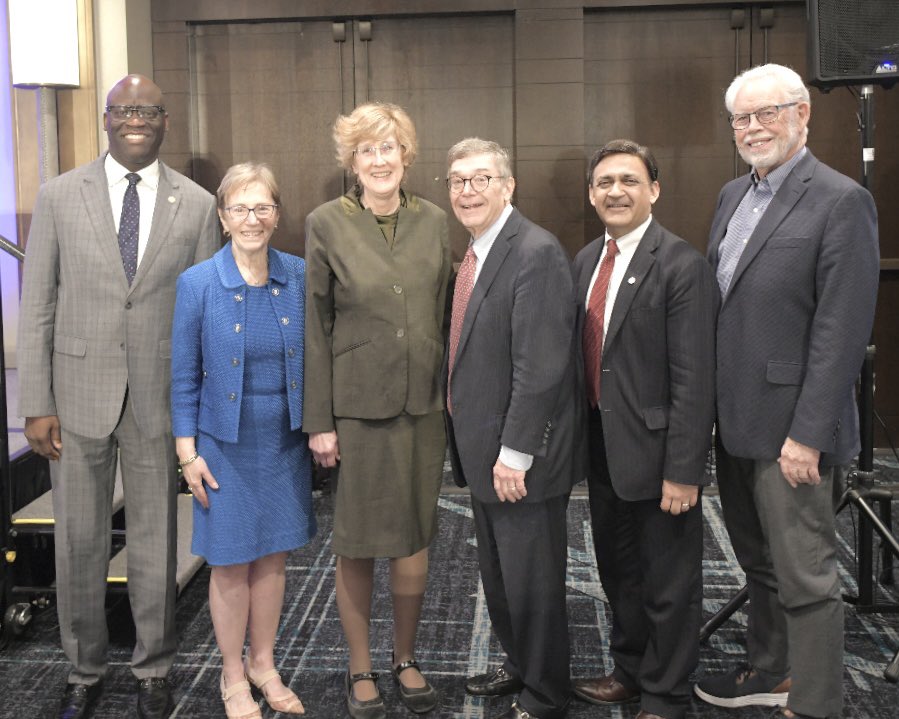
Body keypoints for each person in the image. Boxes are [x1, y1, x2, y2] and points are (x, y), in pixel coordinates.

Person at [16, 74, 219, 719]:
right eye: (124, 109)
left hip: (159, 399)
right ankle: (82, 669)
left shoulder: (198, 204)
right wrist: (36, 400)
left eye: (148, 111)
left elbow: (204, 318)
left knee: (157, 539)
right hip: (73, 399)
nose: (136, 119)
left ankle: (154, 667)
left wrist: (200, 411)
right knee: (78, 539)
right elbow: (39, 304)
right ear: (107, 121)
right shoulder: (56, 196)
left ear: (165, 122)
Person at [693, 64, 880, 719]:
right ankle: (772, 670)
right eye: (741, 118)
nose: (752, 128)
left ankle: (818, 703)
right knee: (760, 565)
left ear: (802, 115)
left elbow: (840, 331)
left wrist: (807, 432)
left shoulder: (838, 200)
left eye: (766, 113)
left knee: (805, 575)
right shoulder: (729, 196)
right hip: (736, 421)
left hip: (795, 431)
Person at [303, 102, 451, 719]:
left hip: (422, 406)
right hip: (357, 410)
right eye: (368, 149)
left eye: (390, 147)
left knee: (414, 535)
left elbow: (447, 311)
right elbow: (315, 326)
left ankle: (406, 656)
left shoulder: (440, 221)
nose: (380, 159)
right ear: (352, 162)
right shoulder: (325, 223)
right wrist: (320, 422)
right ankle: (360, 664)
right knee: (359, 540)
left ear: (406, 155)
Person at [570, 140, 718, 719]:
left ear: (654, 190)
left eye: (629, 181)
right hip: (603, 451)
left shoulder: (681, 264)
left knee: (670, 585)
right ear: (591, 194)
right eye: (604, 182)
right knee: (619, 571)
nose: (615, 191)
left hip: (661, 458)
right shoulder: (586, 262)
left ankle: (666, 693)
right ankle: (629, 671)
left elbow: (695, 380)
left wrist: (685, 471)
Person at [171, 162, 314, 718]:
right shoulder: (198, 283)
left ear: (277, 214)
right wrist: (188, 455)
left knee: (273, 559)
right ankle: (233, 674)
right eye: (239, 208)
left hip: (283, 442)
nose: (252, 219)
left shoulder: (298, 275)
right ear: (223, 217)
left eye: (262, 207)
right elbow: (183, 376)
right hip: (222, 447)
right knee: (230, 563)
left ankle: (264, 664)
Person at [443, 137, 581, 719]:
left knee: (532, 581)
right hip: (482, 449)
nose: (467, 191)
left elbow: (541, 367)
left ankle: (547, 695)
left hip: (518, 456)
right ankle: (522, 665)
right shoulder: (477, 251)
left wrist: (516, 453)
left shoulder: (535, 252)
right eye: (457, 181)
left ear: (508, 186)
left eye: (480, 179)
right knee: (501, 578)